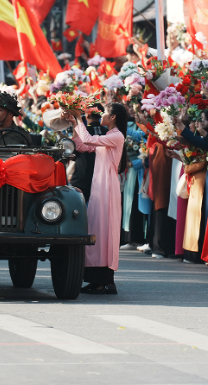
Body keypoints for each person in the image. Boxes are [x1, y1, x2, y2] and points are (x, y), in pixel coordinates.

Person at [64, 103, 127, 294]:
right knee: (96, 229)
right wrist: (74, 123)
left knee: (105, 231)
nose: (102, 116)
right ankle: (95, 279)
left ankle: (106, 280)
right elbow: (82, 145)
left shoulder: (116, 136)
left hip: (107, 187)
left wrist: (79, 118)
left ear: (114, 117)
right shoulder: (109, 136)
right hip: (100, 186)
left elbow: (88, 138)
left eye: (106, 113)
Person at [71, 104, 108, 203]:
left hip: (81, 178)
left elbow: (73, 151)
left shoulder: (82, 131)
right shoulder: (108, 132)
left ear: (87, 115)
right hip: (101, 179)